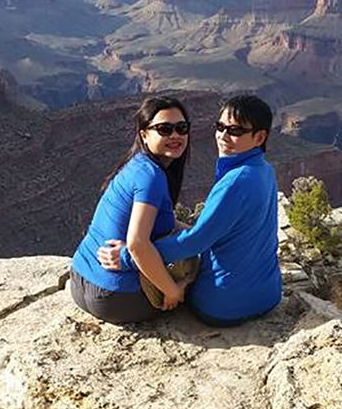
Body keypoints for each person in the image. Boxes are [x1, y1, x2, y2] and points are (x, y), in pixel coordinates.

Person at [99, 94, 281, 327]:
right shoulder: (264, 170)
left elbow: (196, 241)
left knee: (165, 275)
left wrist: (128, 257)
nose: (223, 135)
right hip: (268, 295)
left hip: (223, 306)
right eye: (220, 126)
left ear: (259, 137)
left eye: (235, 131)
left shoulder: (236, 182)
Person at [69, 96, 193, 323]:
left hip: (80, 281)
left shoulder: (137, 165)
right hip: (116, 298)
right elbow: (138, 244)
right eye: (164, 129)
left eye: (181, 128)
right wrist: (174, 290)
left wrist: (198, 233)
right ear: (144, 134)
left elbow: (159, 223)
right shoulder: (151, 177)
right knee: (205, 275)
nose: (175, 135)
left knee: (192, 249)